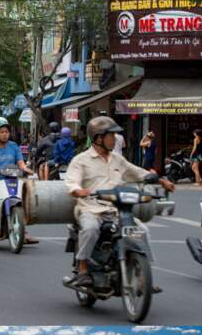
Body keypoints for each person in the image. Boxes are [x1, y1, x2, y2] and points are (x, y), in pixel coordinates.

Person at [64, 116, 175, 287]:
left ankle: (143, 275)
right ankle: (83, 268)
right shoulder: (81, 160)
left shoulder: (117, 159)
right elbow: (72, 182)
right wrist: (79, 190)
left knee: (142, 230)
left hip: (117, 209)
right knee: (91, 229)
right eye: (111, 135)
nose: (115, 139)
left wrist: (161, 181)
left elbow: (137, 172)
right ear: (99, 138)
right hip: (91, 208)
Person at [0, 117, 34, 235]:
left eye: (7, 132)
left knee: (24, 199)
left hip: (12, 180)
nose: (5, 134)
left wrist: (26, 169)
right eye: (2, 132)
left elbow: (20, 163)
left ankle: (22, 230)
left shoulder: (14, 146)